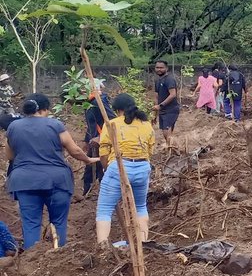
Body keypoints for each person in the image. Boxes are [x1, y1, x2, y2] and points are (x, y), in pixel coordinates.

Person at [6, 94, 98, 249]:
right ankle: (58, 256)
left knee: (31, 223)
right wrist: (88, 160)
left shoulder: (13, 127)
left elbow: (9, 155)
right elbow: (74, 150)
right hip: (56, 181)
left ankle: (32, 263)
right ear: (45, 109)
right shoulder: (55, 125)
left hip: (24, 181)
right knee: (59, 221)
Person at [95, 93, 155, 246]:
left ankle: (103, 248)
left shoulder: (111, 123)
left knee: (104, 209)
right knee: (140, 207)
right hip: (143, 168)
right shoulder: (146, 124)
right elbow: (150, 150)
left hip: (120, 167)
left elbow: (103, 151)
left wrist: (106, 168)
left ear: (117, 110)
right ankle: (143, 243)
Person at [82, 79, 114, 197]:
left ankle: (105, 194)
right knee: (90, 168)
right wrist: (87, 140)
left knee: (102, 168)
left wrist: (101, 137)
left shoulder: (99, 101)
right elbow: (92, 123)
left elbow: (111, 119)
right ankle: (87, 193)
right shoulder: (89, 102)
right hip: (94, 139)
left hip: (102, 140)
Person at [153, 60, 179, 146]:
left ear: (166, 68)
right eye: (157, 67)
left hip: (171, 110)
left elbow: (173, 94)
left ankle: (173, 150)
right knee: (165, 133)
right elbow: (156, 97)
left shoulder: (169, 79)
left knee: (167, 133)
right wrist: (155, 114)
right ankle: (172, 149)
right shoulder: (157, 81)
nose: (159, 69)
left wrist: (161, 105)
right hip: (162, 110)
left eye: (161, 67)